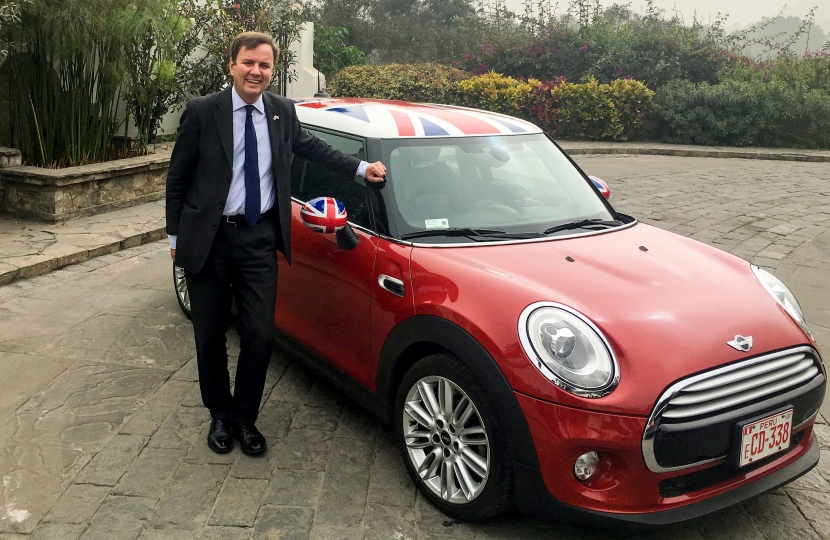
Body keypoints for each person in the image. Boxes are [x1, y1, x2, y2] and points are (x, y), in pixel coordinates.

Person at [165, 31, 386, 455]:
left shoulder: (283, 112)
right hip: (208, 241)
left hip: (258, 239)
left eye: (264, 65)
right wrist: (175, 237)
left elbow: (314, 149)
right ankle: (219, 415)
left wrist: (361, 168)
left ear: (272, 71)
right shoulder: (202, 112)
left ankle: (245, 418)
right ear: (232, 65)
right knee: (209, 335)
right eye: (248, 62)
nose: (256, 71)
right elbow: (178, 177)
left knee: (260, 334)